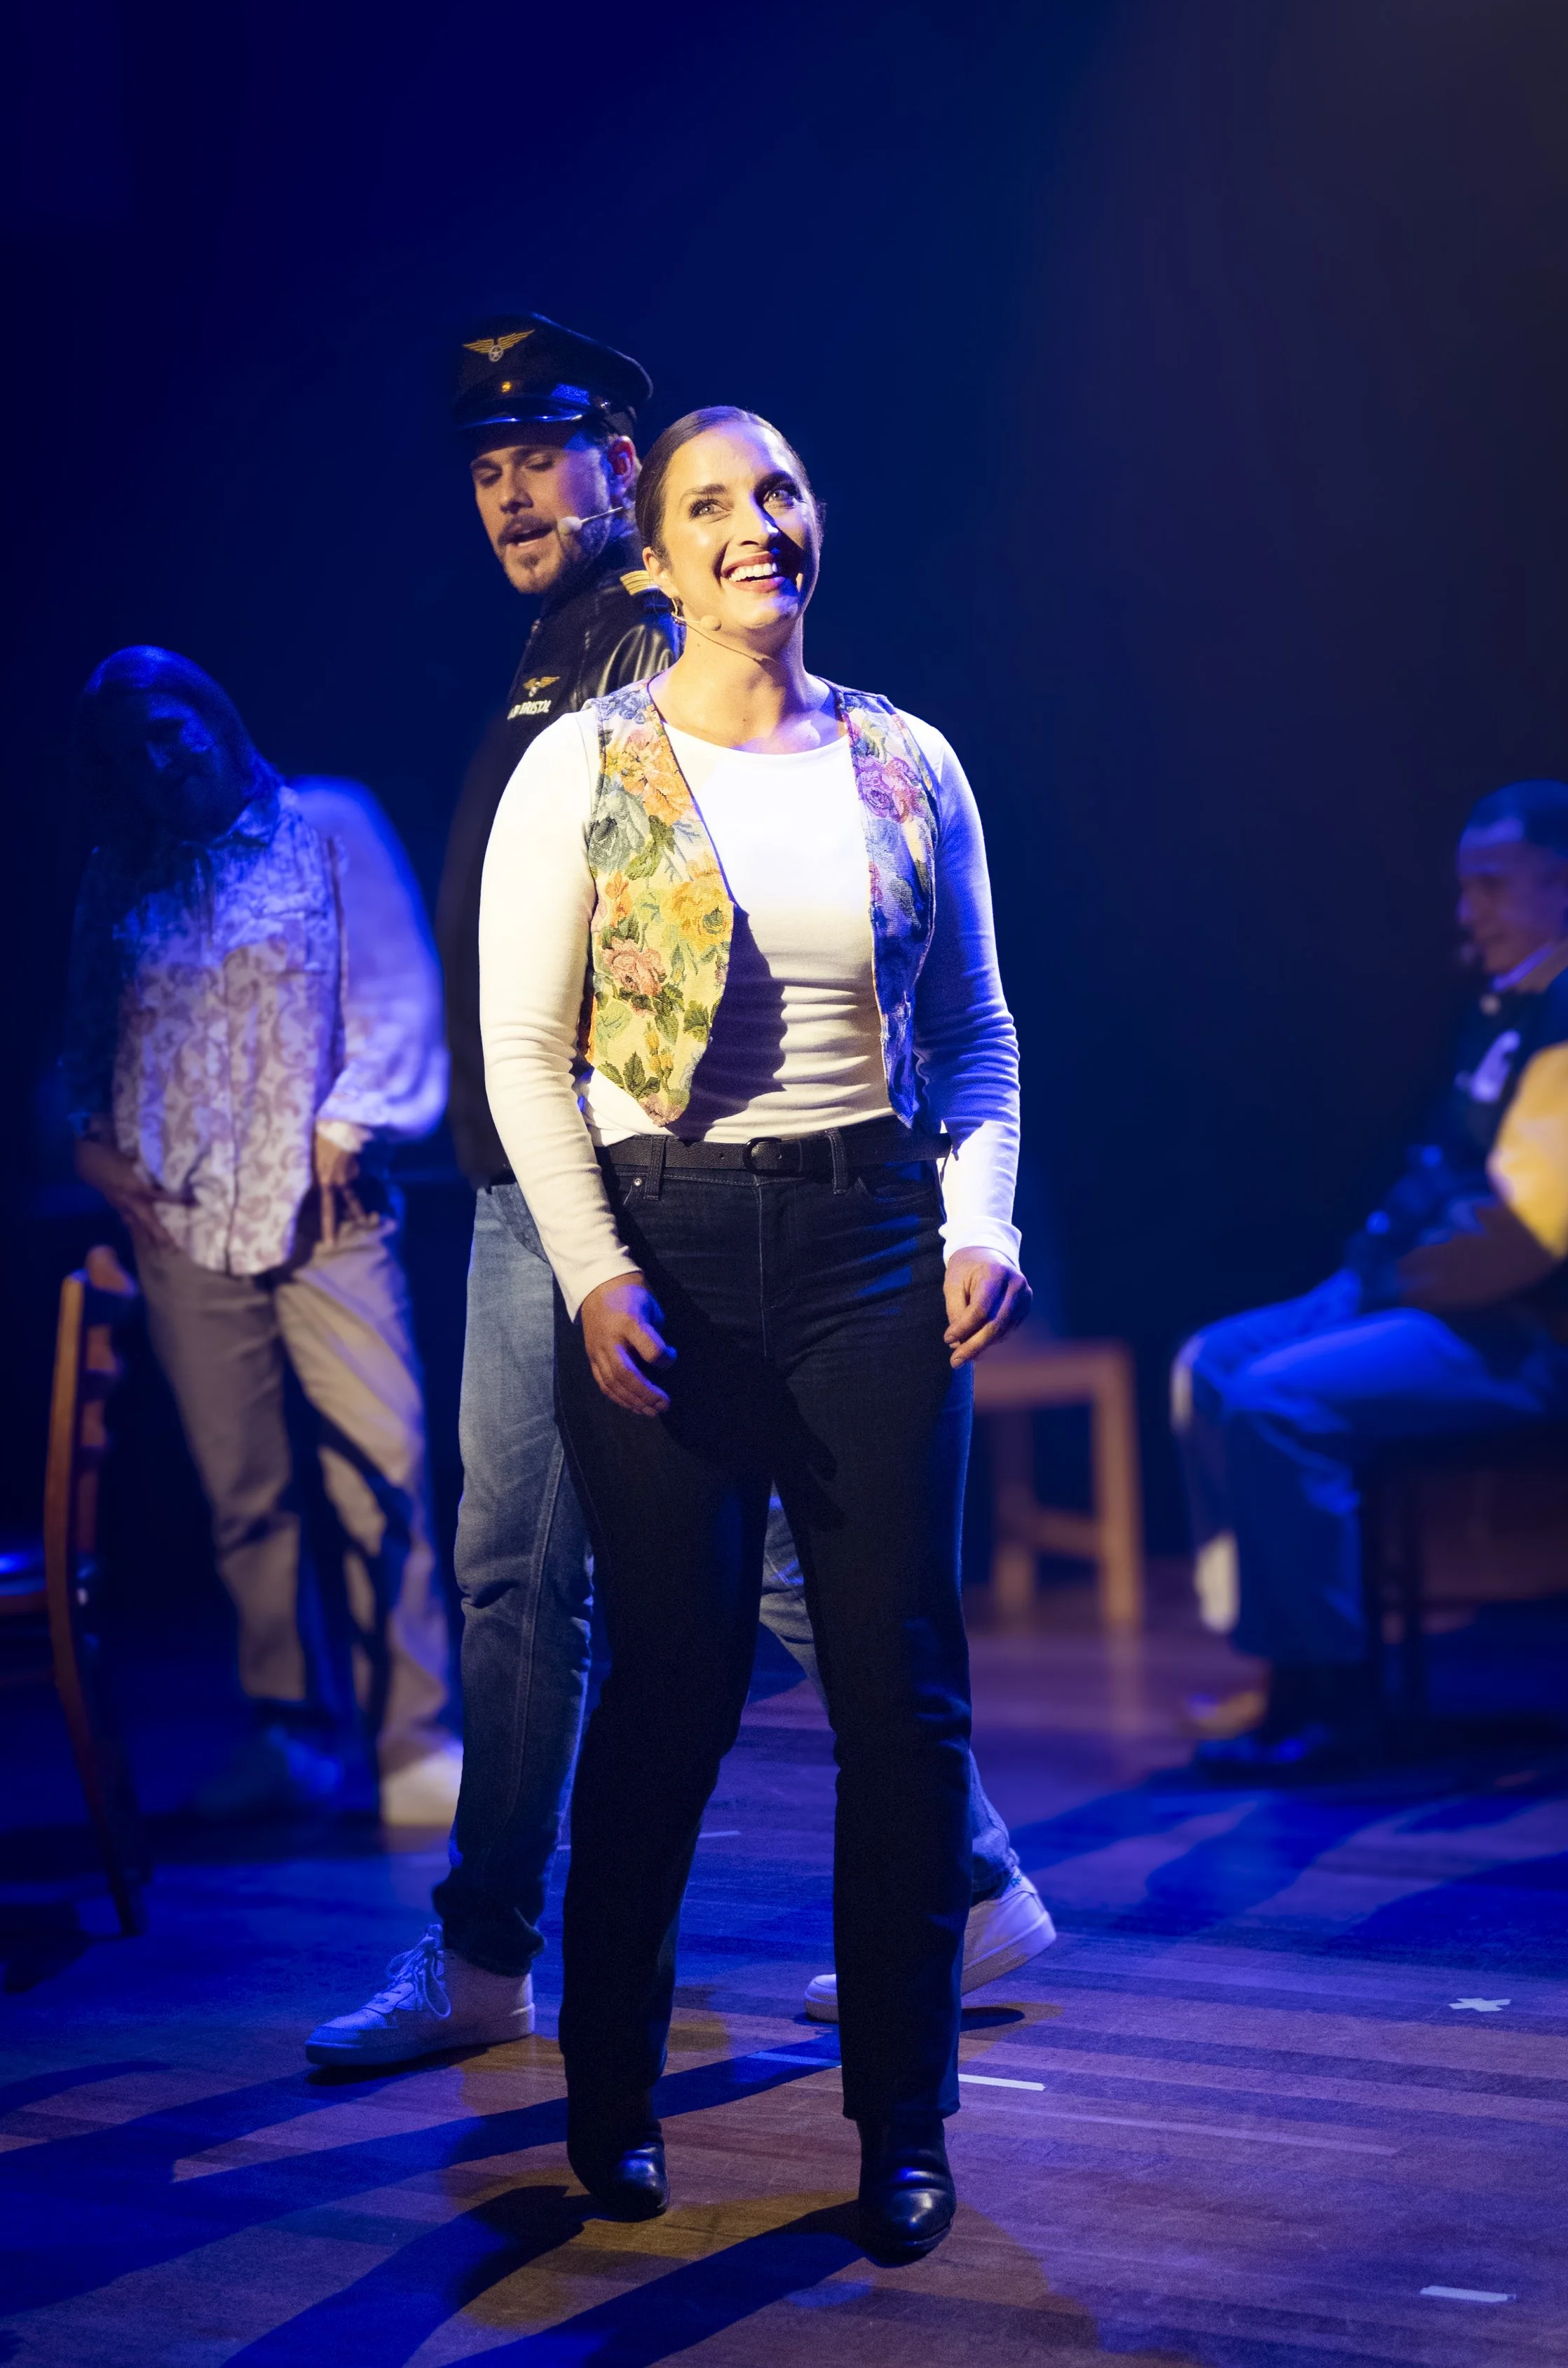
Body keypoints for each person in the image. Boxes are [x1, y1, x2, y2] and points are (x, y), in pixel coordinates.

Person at [308, 327, 1049, 2067]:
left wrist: (963, 1211)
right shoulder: (554, 665)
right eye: (480, 466)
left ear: (620, 480)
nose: (506, 490)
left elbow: (953, 1016)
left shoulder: (677, 652)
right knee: (593, 1580)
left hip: (666, 1198)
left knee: (660, 1585)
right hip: (562, 1185)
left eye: (541, 457)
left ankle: (531, 1944)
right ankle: (529, 1955)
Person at [477, 404, 1030, 2261]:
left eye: (780, 491)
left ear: (814, 523)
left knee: (903, 1692)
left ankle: (901, 2117)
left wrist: (980, 1218)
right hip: (674, 1249)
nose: (754, 525)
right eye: (709, 504)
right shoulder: (586, 763)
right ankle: (611, 2096)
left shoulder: (906, 756)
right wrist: (593, 1269)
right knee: (677, 1680)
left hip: (871, 1241)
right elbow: (525, 1056)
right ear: (654, 557)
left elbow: (974, 1035)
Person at [63, 648, 463, 1823]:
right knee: (245, 1495)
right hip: (179, 1217)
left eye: (173, 723)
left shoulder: (325, 823)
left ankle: (413, 1738)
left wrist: (353, 1122)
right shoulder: (118, 873)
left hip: (326, 1213)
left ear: (215, 712)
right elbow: (83, 1042)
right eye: (134, 745)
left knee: (380, 1472)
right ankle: (290, 1733)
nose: (163, 754)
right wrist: (84, 1138)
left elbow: (397, 995)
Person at [1180, 781, 1568, 1778]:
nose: (1469, 911)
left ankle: (1340, 1702)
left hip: (1555, 1340)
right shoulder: (1516, 997)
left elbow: (1524, 1234)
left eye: (1492, 887)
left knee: (1276, 1399)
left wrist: (1375, 1293)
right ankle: (1283, 1669)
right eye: (1464, 888)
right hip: (1459, 1306)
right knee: (1210, 1363)